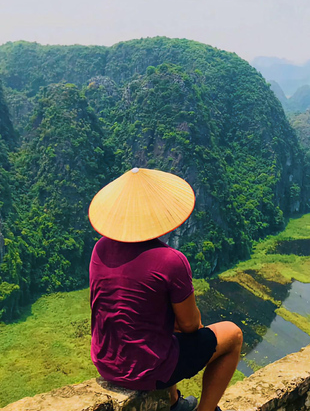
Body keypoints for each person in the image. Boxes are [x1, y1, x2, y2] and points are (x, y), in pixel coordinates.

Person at [88, 167, 243, 411]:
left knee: (165, 326)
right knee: (233, 335)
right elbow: (192, 325)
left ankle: (173, 403)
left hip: (105, 363)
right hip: (146, 370)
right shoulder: (170, 260)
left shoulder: (99, 250)